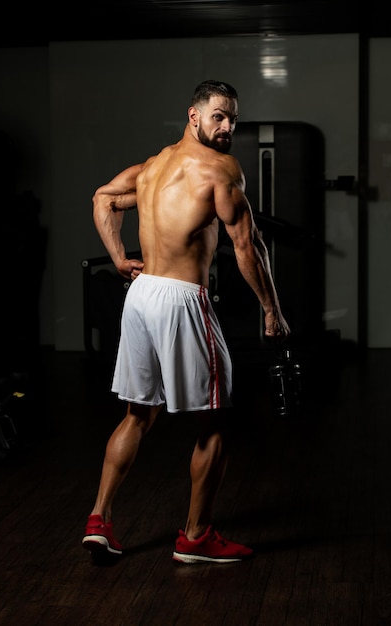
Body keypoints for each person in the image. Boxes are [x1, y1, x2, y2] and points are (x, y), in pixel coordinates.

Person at [82, 79, 290, 564]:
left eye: (233, 118)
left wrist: (119, 258)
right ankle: (196, 536)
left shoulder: (153, 166)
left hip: (141, 294)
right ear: (193, 116)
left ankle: (100, 519)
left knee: (138, 413)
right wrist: (271, 309)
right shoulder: (222, 171)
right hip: (181, 299)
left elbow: (103, 198)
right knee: (215, 419)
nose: (228, 127)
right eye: (218, 116)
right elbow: (246, 246)